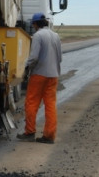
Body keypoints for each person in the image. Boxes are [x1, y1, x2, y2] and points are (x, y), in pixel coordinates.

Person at [18, 12, 62, 144]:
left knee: (31, 103)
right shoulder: (56, 35)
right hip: (53, 75)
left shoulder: (38, 36)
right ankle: (49, 136)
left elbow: (34, 57)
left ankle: (30, 132)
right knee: (50, 105)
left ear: (35, 24)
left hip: (39, 75)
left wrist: (25, 68)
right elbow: (60, 58)